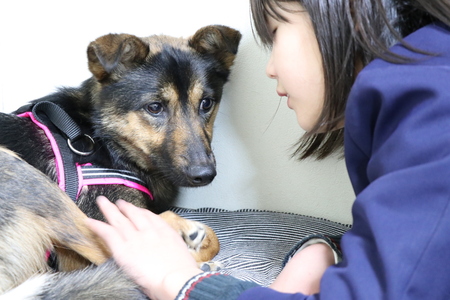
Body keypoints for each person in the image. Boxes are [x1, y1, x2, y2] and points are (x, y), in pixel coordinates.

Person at [86, 0, 450, 299]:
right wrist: (329, 249)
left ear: (349, 12)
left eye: (275, 33)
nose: (270, 68)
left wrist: (181, 282)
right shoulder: (427, 83)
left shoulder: (434, 104)